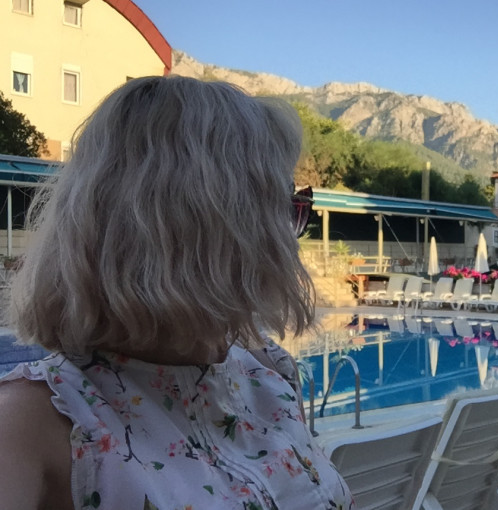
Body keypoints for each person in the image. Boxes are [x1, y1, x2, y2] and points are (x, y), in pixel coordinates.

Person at [0, 76, 353, 509]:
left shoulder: (269, 375)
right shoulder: (33, 424)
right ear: (207, 227)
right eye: (285, 208)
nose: (291, 235)